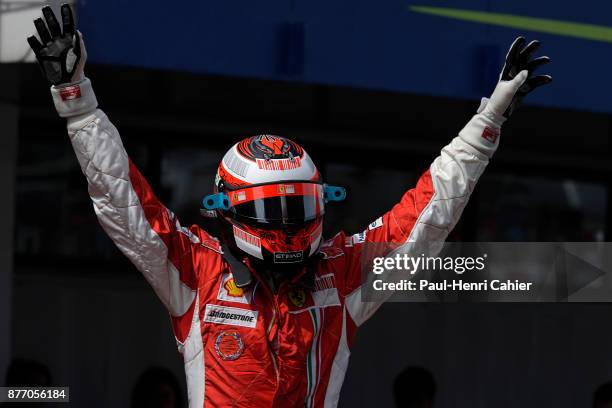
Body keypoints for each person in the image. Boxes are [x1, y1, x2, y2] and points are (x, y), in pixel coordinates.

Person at [26, 4, 551, 407]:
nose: (291, 222)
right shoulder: (196, 269)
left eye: (299, 205)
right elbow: (123, 203)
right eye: (275, 209)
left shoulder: (342, 274)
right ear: (231, 212)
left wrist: (488, 122)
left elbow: (427, 216)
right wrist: (76, 99)